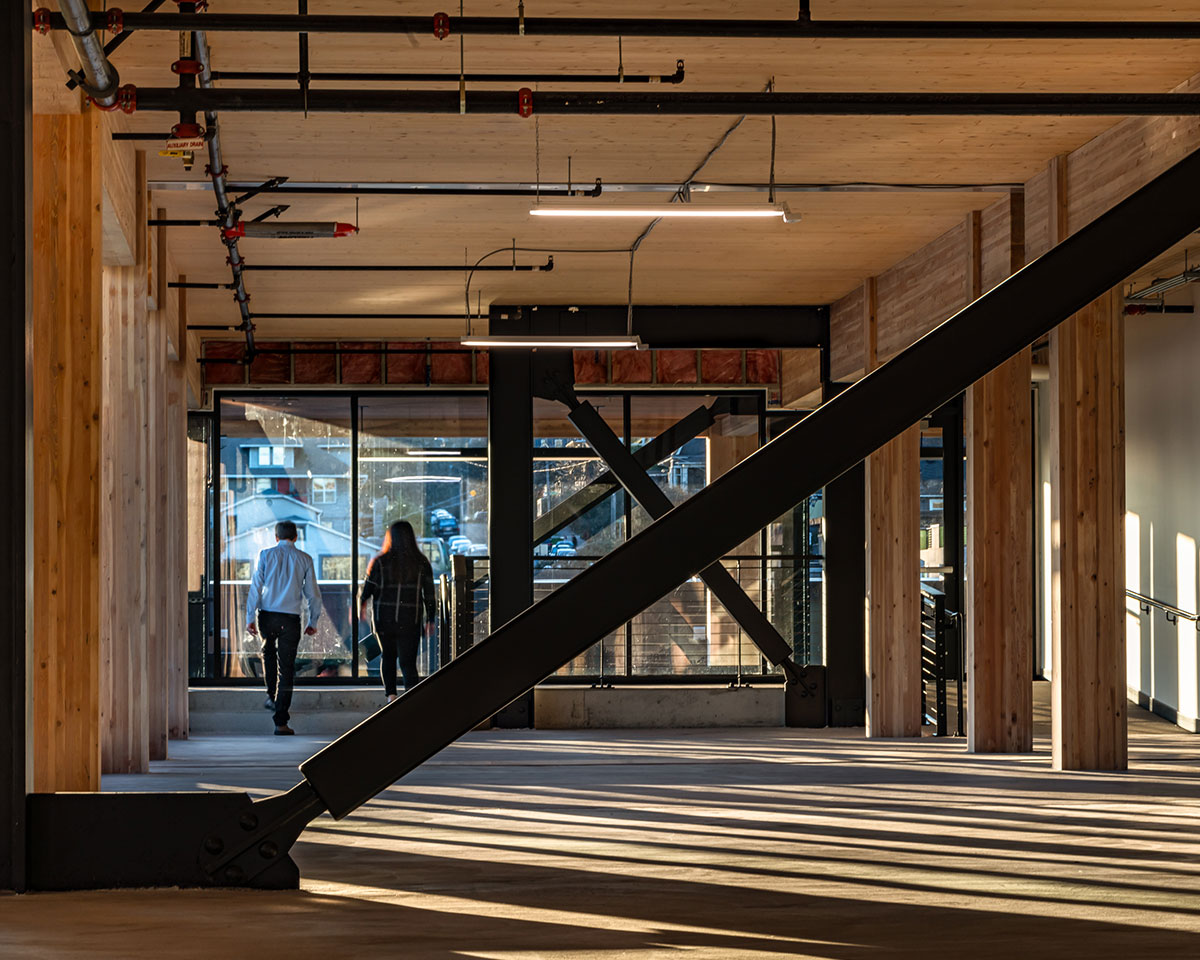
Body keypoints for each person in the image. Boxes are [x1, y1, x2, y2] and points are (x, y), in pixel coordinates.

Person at [246, 520, 322, 735]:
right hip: (290, 619)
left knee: (268, 655)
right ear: (296, 537)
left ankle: (271, 696)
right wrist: (313, 622)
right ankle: (281, 722)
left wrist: (249, 617)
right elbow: (313, 594)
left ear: (276, 537)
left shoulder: (265, 555)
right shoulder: (305, 559)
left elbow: (256, 587)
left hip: (267, 616)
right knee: (286, 669)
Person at [359, 520, 435, 702]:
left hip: (383, 619)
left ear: (390, 537)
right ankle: (411, 700)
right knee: (408, 662)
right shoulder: (421, 562)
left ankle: (391, 697)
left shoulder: (380, 562)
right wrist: (430, 619)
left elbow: (367, 590)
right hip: (410, 619)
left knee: (388, 657)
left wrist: (360, 607)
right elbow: (429, 595)